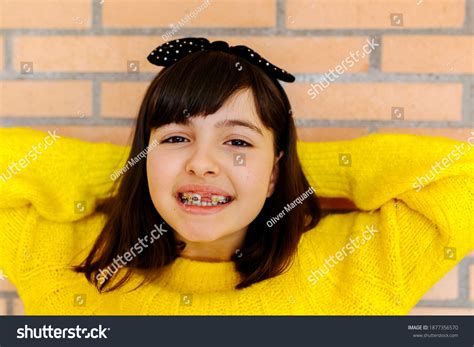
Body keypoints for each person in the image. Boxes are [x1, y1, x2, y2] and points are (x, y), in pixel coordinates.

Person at [0, 38, 472, 315]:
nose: (202, 163)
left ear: (274, 170)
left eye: (238, 142)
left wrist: (290, 172)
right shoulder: (62, 258)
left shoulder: (360, 266)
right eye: (176, 139)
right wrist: (134, 169)